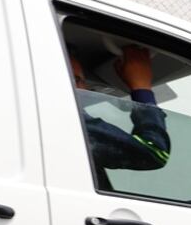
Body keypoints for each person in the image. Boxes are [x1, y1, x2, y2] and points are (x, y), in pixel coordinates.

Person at [70, 45, 171, 190]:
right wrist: (142, 88)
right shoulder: (67, 124)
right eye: (76, 80)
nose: (84, 89)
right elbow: (155, 152)